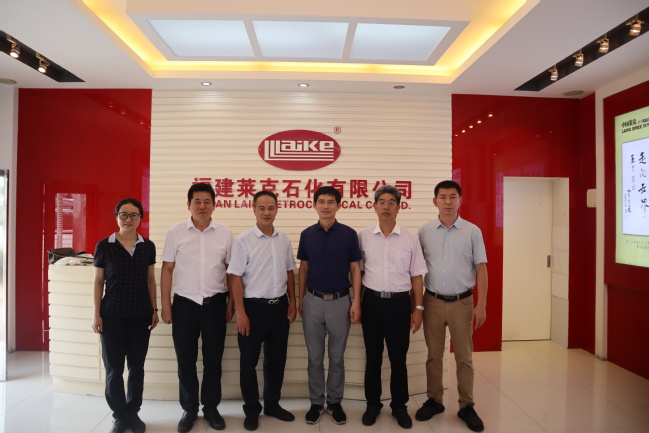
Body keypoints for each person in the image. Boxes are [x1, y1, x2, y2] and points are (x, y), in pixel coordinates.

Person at [160, 183, 234, 433]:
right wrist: (166, 305)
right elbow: (167, 269)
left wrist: (231, 303)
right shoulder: (175, 232)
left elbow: (230, 270)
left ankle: (211, 408)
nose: (202, 206)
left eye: (207, 201)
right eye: (197, 201)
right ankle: (189, 408)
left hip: (215, 304)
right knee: (186, 360)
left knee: (213, 361)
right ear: (188, 204)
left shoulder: (224, 233)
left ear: (215, 204)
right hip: (184, 305)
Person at [416, 180, 488, 433]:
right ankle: (434, 400)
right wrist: (416, 305)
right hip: (432, 302)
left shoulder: (472, 231)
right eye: (443, 197)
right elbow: (416, 270)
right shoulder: (424, 231)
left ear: (460, 200)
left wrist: (481, 304)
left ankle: (466, 405)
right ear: (434, 201)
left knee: (464, 357)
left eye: (452, 197)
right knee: (434, 355)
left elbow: (481, 268)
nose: (448, 201)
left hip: (462, 302)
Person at [358, 185, 427, 429]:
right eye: (382, 202)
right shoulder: (364, 236)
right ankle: (373, 404)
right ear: (374, 206)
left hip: (399, 304)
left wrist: (417, 308)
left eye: (391, 203)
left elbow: (417, 276)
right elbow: (358, 273)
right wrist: (357, 303)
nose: (386, 207)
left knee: (398, 358)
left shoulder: (410, 238)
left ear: (399, 207)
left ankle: (399, 406)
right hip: (372, 302)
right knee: (373, 357)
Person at [227, 190, 297, 431]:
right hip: (252, 310)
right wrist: (241, 312)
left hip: (279, 308)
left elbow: (289, 271)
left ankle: (272, 404)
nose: (267, 212)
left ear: (277, 209)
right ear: (254, 209)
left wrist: (293, 302)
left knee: (276, 360)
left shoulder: (283, 238)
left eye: (271, 208)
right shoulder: (244, 240)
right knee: (248, 362)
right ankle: (251, 409)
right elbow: (235, 277)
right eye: (262, 208)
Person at [297, 186, 362, 425]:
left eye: (331, 201)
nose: (326, 206)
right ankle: (316, 402)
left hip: (340, 302)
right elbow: (303, 268)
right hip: (312, 301)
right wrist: (300, 300)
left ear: (338, 205)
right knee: (314, 358)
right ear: (314, 205)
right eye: (321, 201)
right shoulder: (307, 234)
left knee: (336, 358)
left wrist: (356, 301)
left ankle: (334, 402)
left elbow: (355, 268)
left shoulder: (349, 234)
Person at [92, 198, 158, 433]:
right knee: (114, 370)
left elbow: (151, 280)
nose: (128, 219)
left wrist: (154, 310)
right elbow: (98, 282)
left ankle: (133, 412)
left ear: (140, 218)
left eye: (134, 215)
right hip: (111, 316)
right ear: (117, 216)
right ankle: (119, 416)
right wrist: (96, 314)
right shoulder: (104, 245)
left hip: (141, 315)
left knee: (137, 368)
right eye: (124, 214)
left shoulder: (147, 246)